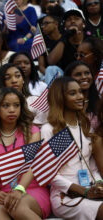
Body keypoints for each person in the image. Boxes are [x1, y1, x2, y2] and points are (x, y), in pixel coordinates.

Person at [41, 77, 103, 220]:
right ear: (60, 98)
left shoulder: (86, 126)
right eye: (73, 93)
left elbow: (92, 167)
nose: (80, 96)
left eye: (80, 92)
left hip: (91, 189)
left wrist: (99, 184)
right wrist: (83, 191)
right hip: (66, 196)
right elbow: (49, 173)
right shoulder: (50, 130)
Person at [0, 88, 51, 220]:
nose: (12, 110)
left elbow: (35, 164)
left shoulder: (32, 131)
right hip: (3, 192)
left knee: (17, 206)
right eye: (6, 105)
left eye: (16, 105)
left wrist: (20, 189)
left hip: (31, 188)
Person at [47, 9, 85, 75]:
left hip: (87, 75)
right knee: (51, 69)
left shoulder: (90, 40)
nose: (72, 21)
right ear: (65, 26)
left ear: (83, 24)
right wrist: (65, 37)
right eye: (68, 20)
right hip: (66, 80)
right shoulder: (60, 42)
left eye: (76, 18)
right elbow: (51, 62)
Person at [64, 61, 100, 129]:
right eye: (78, 74)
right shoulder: (64, 104)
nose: (84, 77)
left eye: (87, 73)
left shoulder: (99, 102)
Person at [38, 10, 63, 75]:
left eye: (46, 23)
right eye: (42, 24)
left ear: (56, 24)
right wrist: (50, 75)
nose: (43, 26)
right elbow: (41, 66)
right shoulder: (41, 41)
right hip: (49, 74)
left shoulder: (65, 38)